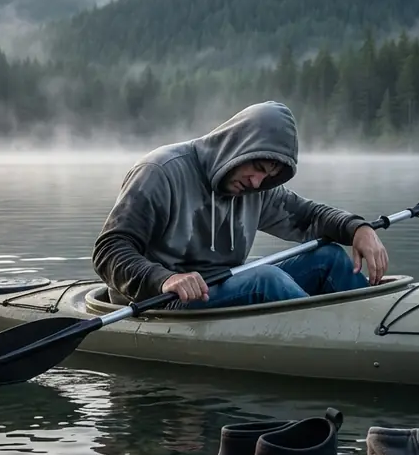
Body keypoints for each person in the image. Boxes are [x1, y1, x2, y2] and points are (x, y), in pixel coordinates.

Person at [92, 100, 389, 309]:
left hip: (219, 286)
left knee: (329, 257)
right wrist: (165, 279)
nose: (257, 182)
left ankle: (376, 325)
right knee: (264, 279)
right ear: (237, 146)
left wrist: (357, 228)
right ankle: (336, 342)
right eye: (257, 167)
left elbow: (309, 217)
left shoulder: (255, 188)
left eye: (269, 175)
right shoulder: (160, 172)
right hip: (159, 300)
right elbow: (109, 251)